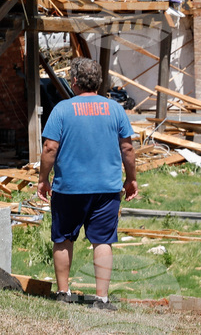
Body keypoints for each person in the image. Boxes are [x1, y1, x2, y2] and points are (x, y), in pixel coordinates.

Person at [37, 57, 138, 310]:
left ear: (73, 81)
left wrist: (43, 179)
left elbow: (50, 147)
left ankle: (63, 293)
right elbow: (127, 148)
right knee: (102, 241)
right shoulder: (115, 109)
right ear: (99, 81)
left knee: (63, 239)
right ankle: (102, 299)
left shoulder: (62, 109)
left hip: (69, 187)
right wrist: (131, 179)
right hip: (106, 188)